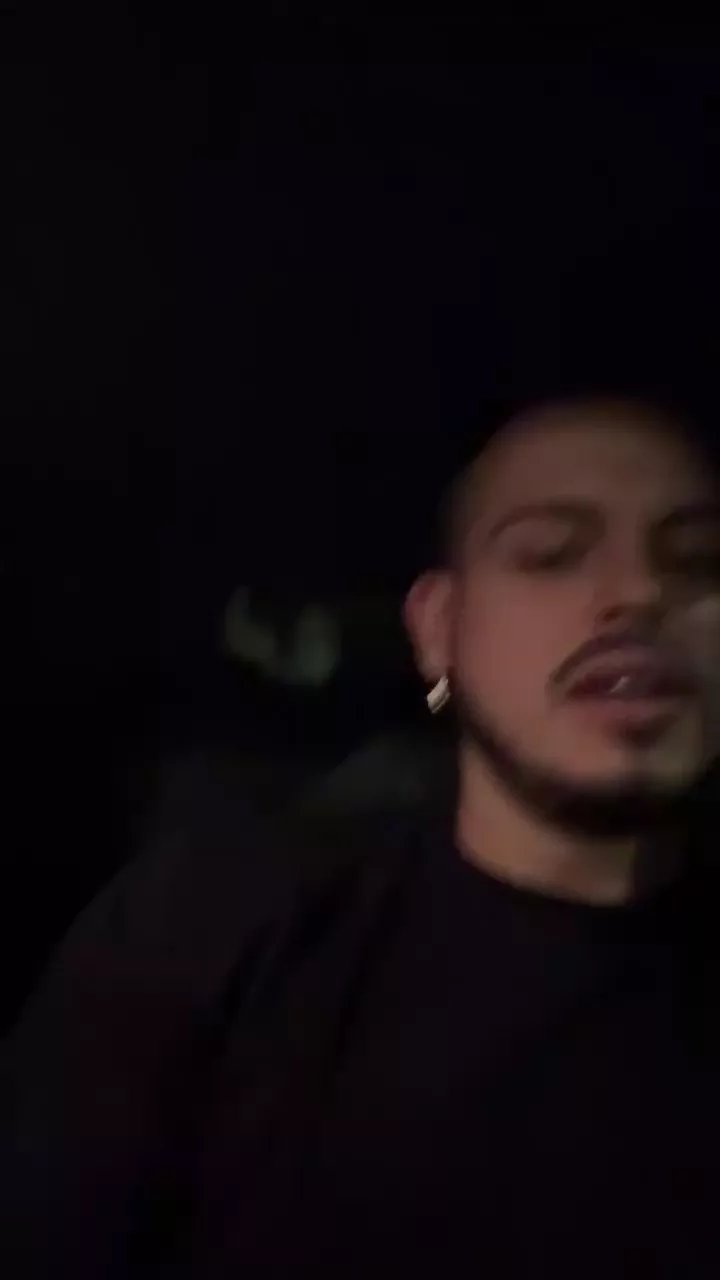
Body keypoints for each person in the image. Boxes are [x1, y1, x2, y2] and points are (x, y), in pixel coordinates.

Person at [4, 394, 720, 1279]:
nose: (642, 593)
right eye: (549, 553)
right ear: (437, 630)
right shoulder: (210, 929)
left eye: (700, 560)